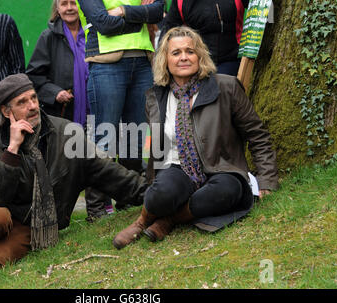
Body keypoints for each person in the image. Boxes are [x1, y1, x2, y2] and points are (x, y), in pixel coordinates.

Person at [0, 73, 148, 275]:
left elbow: (107, 172)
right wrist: (12, 150)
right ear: (6, 112)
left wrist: (153, 195)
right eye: (22, 102)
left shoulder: (66, 133)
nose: (32, 106)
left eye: (33, 98)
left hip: (33, 223)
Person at [112, 26, 279, 249]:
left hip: (221, 169)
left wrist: (267, 180)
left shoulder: (226, 87)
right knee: (159, 194)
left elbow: (257, 135)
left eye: (190, 51)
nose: (183, 57)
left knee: (224, 192)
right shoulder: (155, 96)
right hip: (177, 169)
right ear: (165, 60)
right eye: (176, 53)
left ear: (200, 56)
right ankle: (142, 221)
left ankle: (169, 220)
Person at [27, 0, 113, 221]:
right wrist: (54, 92)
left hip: (97, 105)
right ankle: (57, 213)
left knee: (99, 154)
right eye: (63, 3)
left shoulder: (95, 32)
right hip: (65, 112)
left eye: (73, 3)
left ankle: (100, 206)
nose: (69, 8)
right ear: (57, 8)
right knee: (65, 163)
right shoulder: (49, 37)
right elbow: (35, 76)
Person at [78, 0, 164, 210]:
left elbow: (158, 12)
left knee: (135, 137)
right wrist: (139, 16)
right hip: (106, 64)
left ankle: (129, 200)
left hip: (143, 63)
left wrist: (122, 11)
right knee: (104, 138)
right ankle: (97, 208)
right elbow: (103, 23)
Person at [161, 0, 249, 76]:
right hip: (197, 62)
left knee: (224, 87)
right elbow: (169, 31)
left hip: (231, 59)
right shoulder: (181, 2)